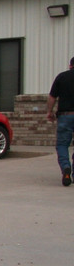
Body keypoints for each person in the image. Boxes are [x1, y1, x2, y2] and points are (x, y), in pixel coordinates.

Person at [48, 56, 74, 186]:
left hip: (65, 116)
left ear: (70, 65)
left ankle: (65, 168)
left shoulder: (62, 77)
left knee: (62, 144)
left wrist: (49, 112)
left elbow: (52, 96)